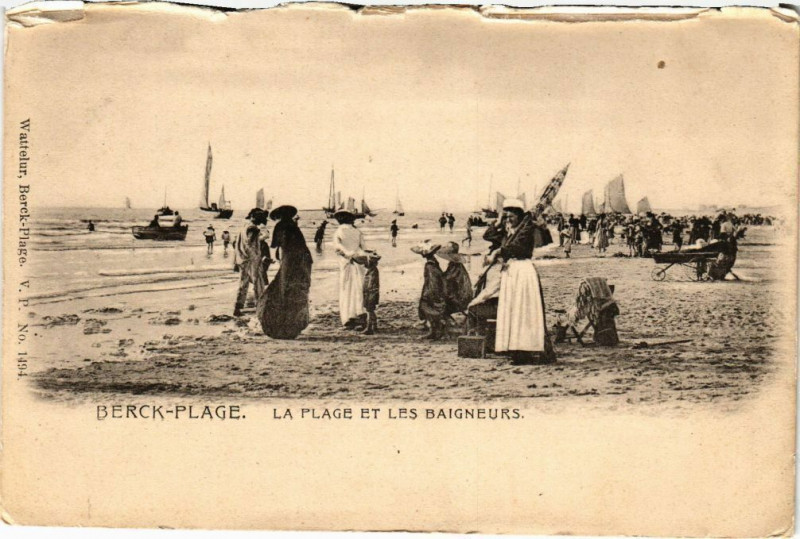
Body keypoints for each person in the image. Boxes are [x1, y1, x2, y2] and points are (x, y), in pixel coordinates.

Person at [483, 199, 554, 364]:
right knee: (512, 310)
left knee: (523, 310)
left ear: (519, 215)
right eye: (506, 215)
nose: (509, 218)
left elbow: (518, 247)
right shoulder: (508, 231)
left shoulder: (526, 229)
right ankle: (515, 349)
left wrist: (498, 252)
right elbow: (488, 235)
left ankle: (525, 350)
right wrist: (498, 222)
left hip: (522, 269)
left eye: (512, 215)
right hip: (511, 271)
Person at [256, 205, 312, 339]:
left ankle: (280, 326)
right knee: (297, 289)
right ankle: (293, 326)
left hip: (290, 260)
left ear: (279, 216)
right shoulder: (294, 225)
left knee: (283, 288)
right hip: (304, 260)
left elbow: (275, 245)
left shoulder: (280, 226)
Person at [332, 210, 367, 329]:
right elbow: (364, 249)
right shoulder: (357, 231)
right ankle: (359, 315)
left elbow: (338, 248)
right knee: (358, 289)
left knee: (346, 289)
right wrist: (356, 255)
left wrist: (348, 255)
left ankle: (347, 318)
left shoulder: (339, 231)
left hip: (346, 264)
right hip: (358, 262)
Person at [233, 209, 270, 317]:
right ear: (254, 217)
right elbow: (250, 244)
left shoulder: (243, 226)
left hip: (242, 259)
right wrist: (256, 258)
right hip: (252, 260)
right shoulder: (253, 228)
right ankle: (261, 307)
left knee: (243, 283)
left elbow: (238, 243)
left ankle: (237, 308)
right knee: (259, 283)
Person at [412, 240, 446, 340]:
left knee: (426, 308)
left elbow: (433, 282)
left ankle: (435, 331)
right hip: (434, 289)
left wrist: (428, 293)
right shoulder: (434, 262)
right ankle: (434, 331)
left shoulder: (430, 265)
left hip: (432, 291)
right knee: (428, 310)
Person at [437, 242, 473, 319]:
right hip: (460, 294)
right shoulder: (455, 264)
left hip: (459, 297)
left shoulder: (455, 265)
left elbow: (449, 278)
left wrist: (439, 276)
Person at [356, 250, 381, 335]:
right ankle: (374, 326)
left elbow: (371, 284)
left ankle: (370, 327)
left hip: (371, 293)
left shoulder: (372, 271)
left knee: (370, 310)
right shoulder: (372, 270)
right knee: (370, 310)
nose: (364, 265)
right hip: (370, 293)